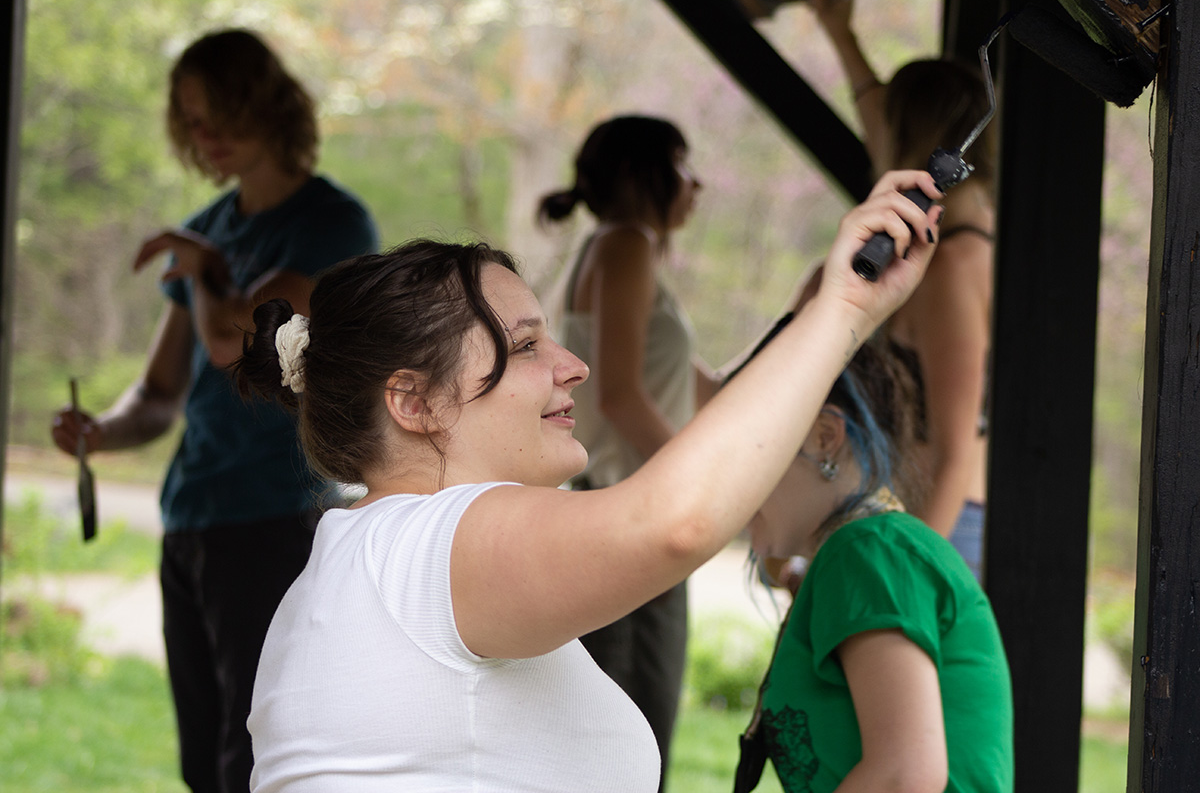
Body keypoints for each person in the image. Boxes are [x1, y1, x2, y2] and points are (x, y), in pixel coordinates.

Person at [232, 171, 942, 792]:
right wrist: (842, 311)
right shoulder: (424, 547)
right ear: (415, 403)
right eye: (526, 346)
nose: (574, 367)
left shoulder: (376, 557)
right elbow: (675, 523)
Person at [49, 29, 378, 793]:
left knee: (261, 751)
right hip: (192, 519)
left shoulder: (331, 223)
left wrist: (201, 272)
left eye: (221, 112)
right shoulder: (207, 228)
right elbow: (161, 392)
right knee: (204, 759)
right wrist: (102, 431)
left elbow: (239, 341)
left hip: (276, 516)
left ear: (267, 103)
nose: (207, 137)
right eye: (192, 121)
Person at [742, 337, 1014, 793]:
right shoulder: (860, 551)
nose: (726, 477)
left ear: (825, 437)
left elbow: (903, 776)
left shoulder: (868, 551)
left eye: (743, 447)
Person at [535, 114, 710, 782]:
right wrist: (702, 481)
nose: (696, 184)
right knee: (635, 744)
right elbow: (618, 396)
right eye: (682, 163)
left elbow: (704, 387)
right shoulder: (628, 243)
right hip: (632, 514)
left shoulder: (609, 247)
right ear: (642, 173)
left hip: (618, 509)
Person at [798, 0, 998, 579]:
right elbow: (880, 117)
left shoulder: (951, 266)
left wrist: (909, 573)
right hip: (931, 518)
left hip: (943, 523)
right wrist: (841, 34)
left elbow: (957, 449)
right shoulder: (964, 232)